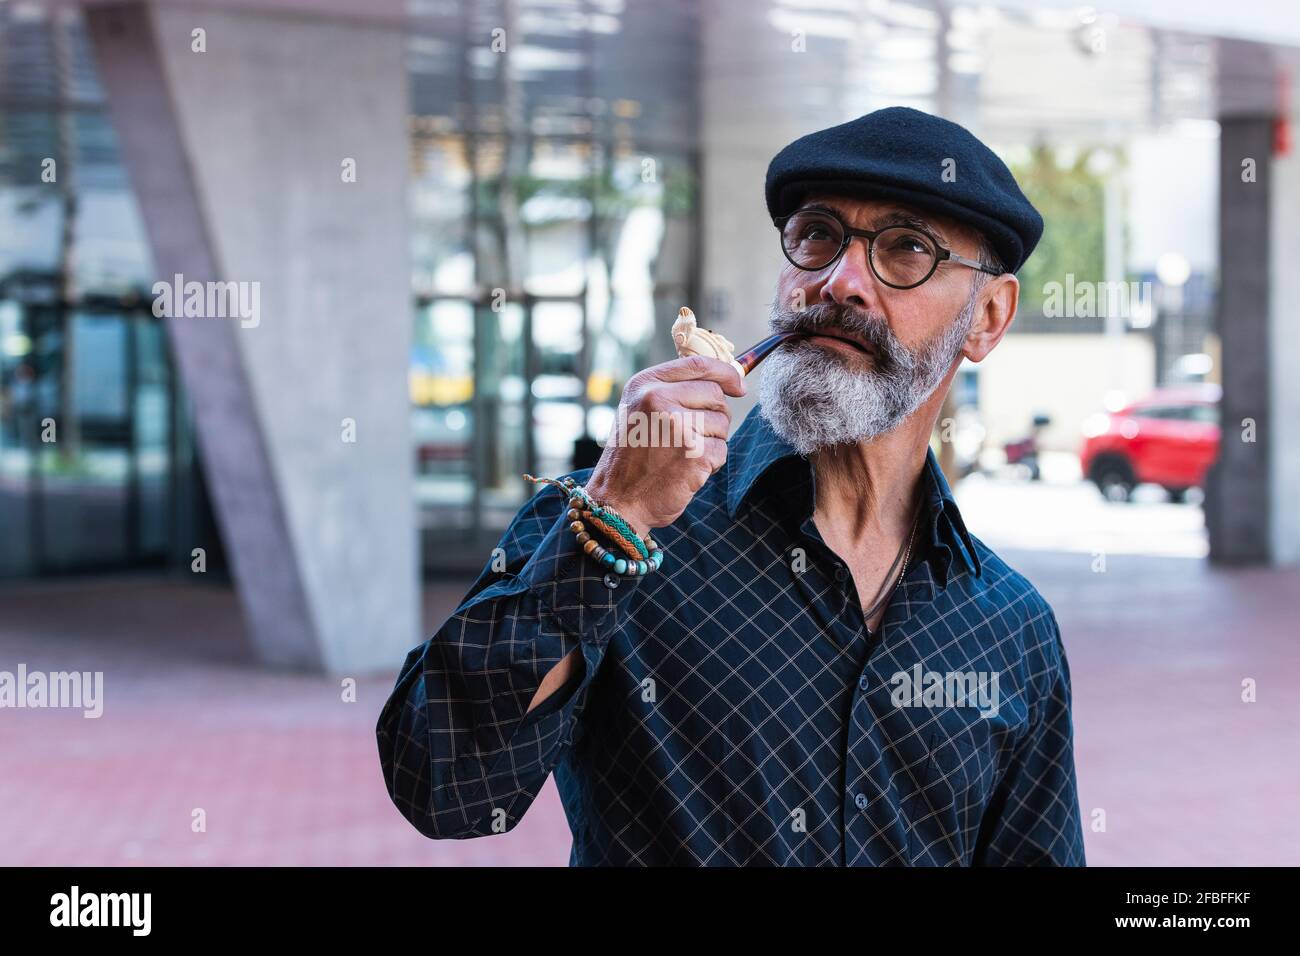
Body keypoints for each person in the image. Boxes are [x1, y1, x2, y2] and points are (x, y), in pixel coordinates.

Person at [377, 106, 1085, 866]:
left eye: (905, 248)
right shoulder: (605, 525)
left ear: (987, 316)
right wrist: (616, 515)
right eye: (818, 235)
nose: (840, 281)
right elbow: (443, 786)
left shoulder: (1011, 628)